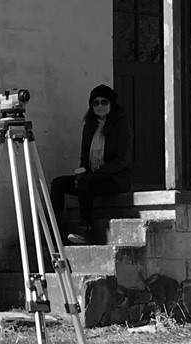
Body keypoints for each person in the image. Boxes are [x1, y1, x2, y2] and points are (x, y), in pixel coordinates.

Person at [50, 84, 132, 243]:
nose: (100, 106)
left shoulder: (121, 125)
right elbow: (84, 157)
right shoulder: (89, 126)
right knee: (58, 183)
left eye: (104, 102)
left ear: (112, 104)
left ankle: (85, 229)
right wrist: (81, 172)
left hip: (115, 179)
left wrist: (94, 175)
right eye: (96, 103)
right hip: (91, 178)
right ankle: (53, 231)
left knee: (86, 181)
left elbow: (123, 160)